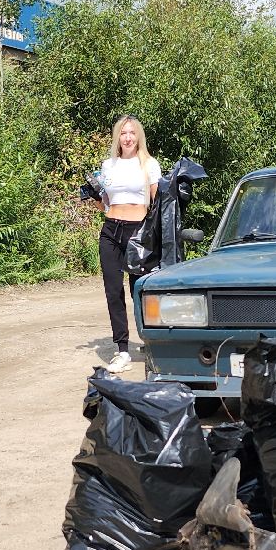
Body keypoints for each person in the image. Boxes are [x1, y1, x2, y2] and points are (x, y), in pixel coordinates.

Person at [94, 114, 161, 373]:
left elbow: (156, 205)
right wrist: (92, 196)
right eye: (123, 133)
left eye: (132, 132)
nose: (128, 137)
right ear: (117, 137)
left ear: (139, 136)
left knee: (139, 292)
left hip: (138, 233)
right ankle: (122, 350)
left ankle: (151, 342)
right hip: (111, 230)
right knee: (113, 292)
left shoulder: (149, 164)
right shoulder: (108, 165)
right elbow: (105, 205)